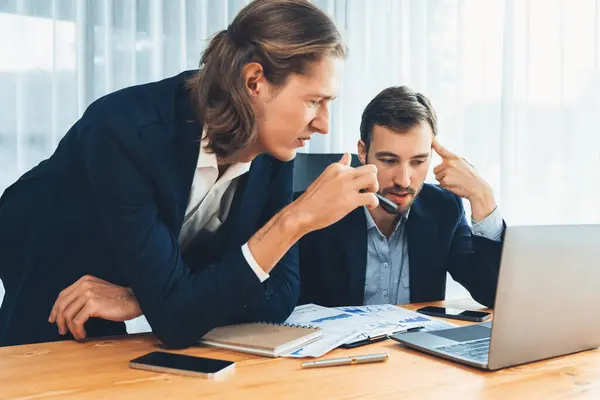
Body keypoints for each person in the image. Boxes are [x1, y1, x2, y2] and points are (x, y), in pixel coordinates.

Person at [0, 0, 380, 347]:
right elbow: (178, 322)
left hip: (129, 287)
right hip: (53, 266)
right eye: (314, 101)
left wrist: (148, 296)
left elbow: (279, 295)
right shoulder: (125, 130)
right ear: (254, 82)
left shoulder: (275, 149)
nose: (324, 125)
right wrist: (296, 219)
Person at [298, 86, 505, 309]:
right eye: (389, 160)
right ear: (362, 151)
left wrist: (483, 196)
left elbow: (492, 293)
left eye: (418, 162)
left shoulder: (444, 208)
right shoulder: (319, 209)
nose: (404, 181)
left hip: (412, 343)